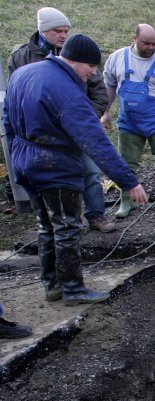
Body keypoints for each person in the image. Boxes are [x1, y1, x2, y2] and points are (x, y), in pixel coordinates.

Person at [3, 34, 148, 304]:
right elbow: (95, 142)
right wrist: (128, 181)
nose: (93, 73)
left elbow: (7, 121)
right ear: (76, 60)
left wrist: (16, 153)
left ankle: (53, 285)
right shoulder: (67, 92)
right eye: (91, 66)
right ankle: (73, 289)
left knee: (46, 225)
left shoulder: (23, 74)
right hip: (54, 167)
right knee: (67, 226)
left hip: (25, 161)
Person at [7, 7, 116, 232]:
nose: (64, 35)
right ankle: (53, 221)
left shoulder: (79, 52)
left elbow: (99, 92)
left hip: (78, 127)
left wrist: (86, 118)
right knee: (52, 183)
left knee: (91, 171)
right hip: (44, 135)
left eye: (66, 30)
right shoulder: (21, 56)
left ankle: (96, 214)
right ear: (43, 30)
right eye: (58, 31)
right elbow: (15, 97)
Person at [101, 23, 155, 218]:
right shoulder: (118, 58)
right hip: (128, 122)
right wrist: (105, 112)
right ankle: (126, 203)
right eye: (146, 43)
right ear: (134, 38)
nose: (151, 47)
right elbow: (109, 86)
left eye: (154, 44)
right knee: (127, 163)